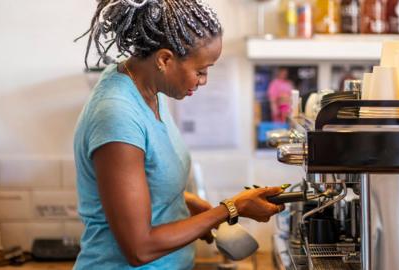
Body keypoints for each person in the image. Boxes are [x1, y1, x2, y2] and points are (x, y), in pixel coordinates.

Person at [73, 0, 286, 269]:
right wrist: (231, 208)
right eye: (200, 71)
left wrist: (190, 203)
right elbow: (139, 248)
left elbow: (140, 182)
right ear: (164, 59)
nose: (204, 80)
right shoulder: (117, 116)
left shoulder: (148, 90)